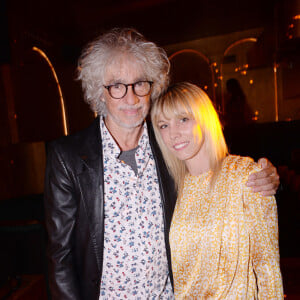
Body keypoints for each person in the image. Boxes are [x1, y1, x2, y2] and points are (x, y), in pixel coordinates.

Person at [44, 28, 280, 300]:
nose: (131, 98)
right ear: (100, 92)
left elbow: (215, 173)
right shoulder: (69, 157)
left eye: (140, 83)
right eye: (117, 86)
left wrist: (264, 177)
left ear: (152, 87)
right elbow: (59, 257)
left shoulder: (168, 146)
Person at [151, 82, 283, 299]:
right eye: (163, 125)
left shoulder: (243, 174)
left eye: (183, 119)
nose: (173, 133)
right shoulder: (172, 189)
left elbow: (267, 267)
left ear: (204, 119)